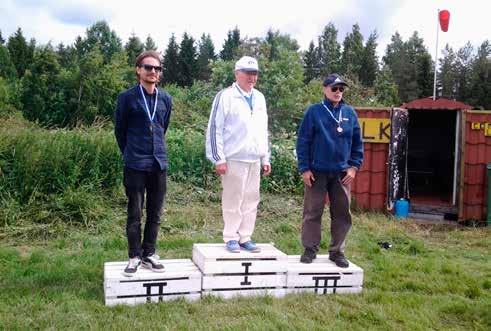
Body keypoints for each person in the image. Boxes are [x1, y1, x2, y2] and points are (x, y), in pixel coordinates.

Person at [114, 51, 172, 276]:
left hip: (158, 162)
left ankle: (149, 253)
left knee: (155, 212)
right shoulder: (126, 98)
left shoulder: (165, 98)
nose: (153, 72)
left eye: (157, 69)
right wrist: (129, 153)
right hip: (135, 163)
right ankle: (134, 256)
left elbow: (162, 126)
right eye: (148, 68)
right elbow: (120, 130)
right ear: (138, 70)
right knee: (135, 213)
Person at [296, 73, 363, 267]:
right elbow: (303, 141)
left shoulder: (350, 113)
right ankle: (310, 249)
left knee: (342, 213)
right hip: (317, 171)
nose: (338, 92)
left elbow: (357, 144)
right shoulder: (314, 111)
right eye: (334, 88)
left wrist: (354, 167)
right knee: (312, 211)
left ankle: (337, 252)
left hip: (342, 173)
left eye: (341, 89)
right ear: (325, 89)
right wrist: (304, 168)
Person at [206, 56, 271, 253]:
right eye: (247, 73)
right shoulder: (225, 96)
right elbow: (214, 128)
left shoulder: (259, 97)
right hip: (233, 158)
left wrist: (265, 157)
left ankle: (245, 237)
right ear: (237, 74)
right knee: (233, 199)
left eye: (255, 74)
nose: (252, 77)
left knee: (251, 199)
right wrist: (219, 158)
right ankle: (231, 237)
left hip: (254, 158)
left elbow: (263, 129)